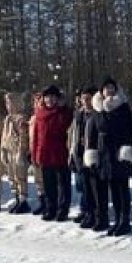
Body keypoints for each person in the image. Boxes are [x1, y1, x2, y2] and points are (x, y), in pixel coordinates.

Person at [84, 77, 132, 236]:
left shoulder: (123, 107)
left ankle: (125, 221)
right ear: (101, 91)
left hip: (119, 151)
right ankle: (117, 220)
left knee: (122, 188)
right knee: (113, 188)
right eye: (106, 88)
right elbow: (92, 132)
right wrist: (92, 154)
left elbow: (129, 129)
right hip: (104, 152)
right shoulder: (97, 109)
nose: (109, 90)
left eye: (112, 87)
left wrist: (127, 149)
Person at [32, 85, 73, 222]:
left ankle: (63, 210)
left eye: (53, 97)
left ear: (57, 98)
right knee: (48, 185)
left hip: (60, 153)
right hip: (44, 154)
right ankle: (51, 208)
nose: (50, 100)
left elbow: (65, 126)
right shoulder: (40, 113)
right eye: (47, 97)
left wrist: (62, 108)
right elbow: (36, 136)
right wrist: (34, 154)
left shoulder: (64, 112)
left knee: (62, 184)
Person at [70, 86, 98, 228]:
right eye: (83, 99)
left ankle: (94, 214)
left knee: (93, 188)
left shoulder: (97, 114)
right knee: (83, 186)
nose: (86, 102)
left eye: (89, 99)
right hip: (79, 154)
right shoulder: (79, 114)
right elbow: (73, 135)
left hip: (93, 155)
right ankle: (86, 211)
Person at [1, 92, 31, 214]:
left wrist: (21, 151)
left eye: (11, 103)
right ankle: (17, 198)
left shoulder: (21, 118)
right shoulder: (7, 118)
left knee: (20, 177)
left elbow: (23, 137)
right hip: (9, 151)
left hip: (18, 152)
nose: (9, 106)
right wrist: (3, 149)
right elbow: (4, 136)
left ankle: (23, 201)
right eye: (7, 103)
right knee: (12, 177)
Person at [29, 92, 47, 215]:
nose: (37, 103)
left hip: (44, 152)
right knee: (38, 180)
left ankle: (48, 203)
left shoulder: (44, 115)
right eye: (35, 101)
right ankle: (42, 202)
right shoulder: (33, 117)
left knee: (46, 180)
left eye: (39, 101)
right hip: (34, 151)